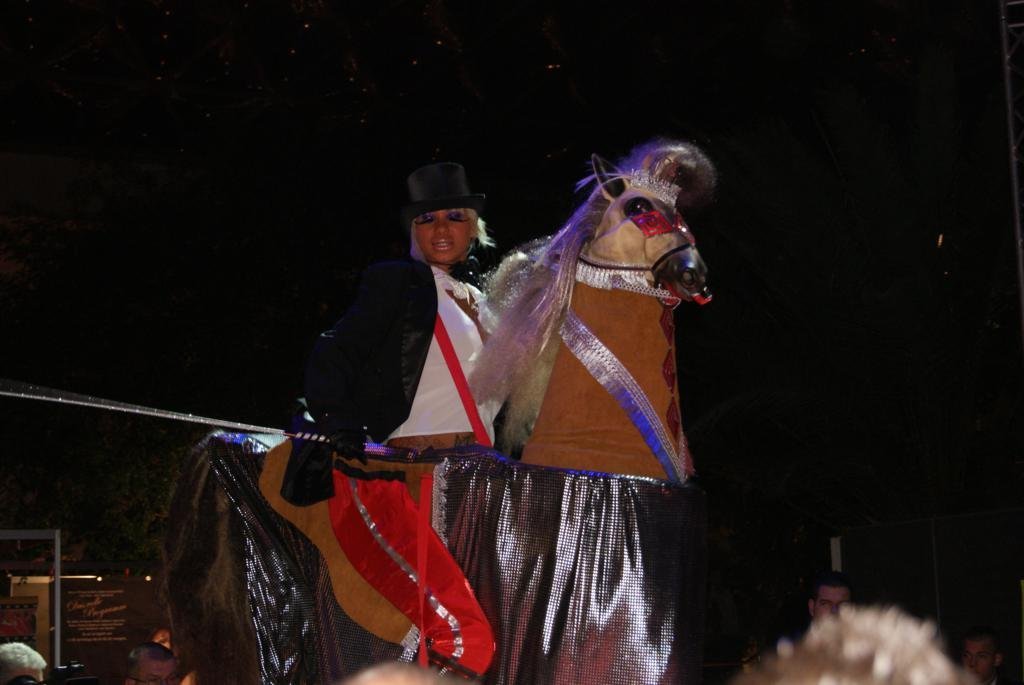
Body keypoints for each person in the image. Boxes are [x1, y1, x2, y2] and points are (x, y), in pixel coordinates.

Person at [269, 161, 498, 677]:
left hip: (475, 482)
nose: (441, 229)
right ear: (411, 230)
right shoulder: (400, 282)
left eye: (454, 217)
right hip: (408, 478)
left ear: (474, 228)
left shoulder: (485, 304)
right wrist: (337, 418)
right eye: (426, 219)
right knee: (460, 634)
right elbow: (336, 350)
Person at [733, 605, 974, 685]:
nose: (835, 612)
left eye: (842, 605)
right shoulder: (791, 661)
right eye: (826, 604)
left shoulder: (889, 656)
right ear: (812, 607)